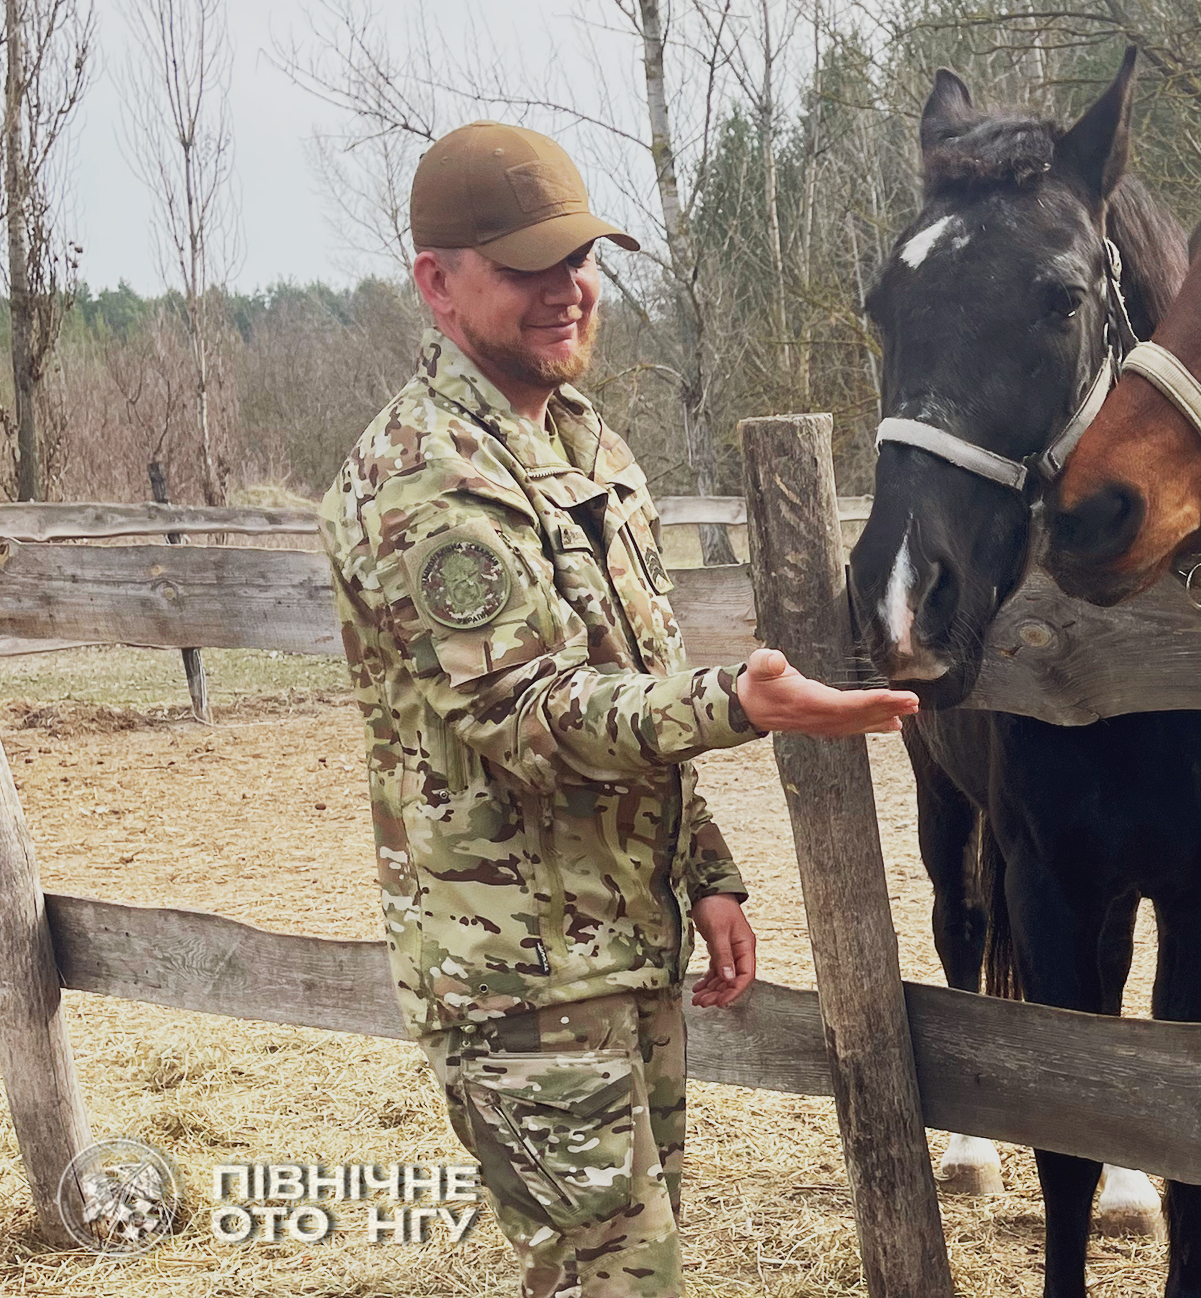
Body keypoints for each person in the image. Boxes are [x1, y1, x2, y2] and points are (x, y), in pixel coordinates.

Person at [318, 120, 917, 1298]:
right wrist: (742, 705)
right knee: (618, 1282)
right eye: (530, 266)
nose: (570, 290)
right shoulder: (430, 475)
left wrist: (705, 871)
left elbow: (624, 665)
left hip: (617, 953)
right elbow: (526, 712)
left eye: (581, 259)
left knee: (627, 1271)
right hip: (523, 980)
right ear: (437, 284)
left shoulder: (582, 442)